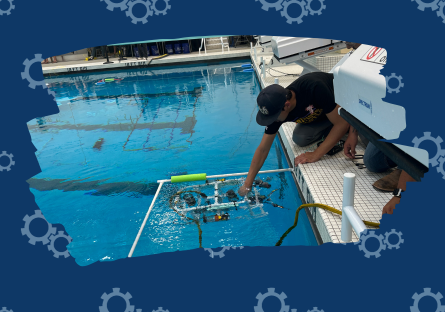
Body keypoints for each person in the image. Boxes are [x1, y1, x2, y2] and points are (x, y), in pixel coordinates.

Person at [238, 72, 350, 196]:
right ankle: (333, 129)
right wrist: (247, 185)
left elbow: (341, 123)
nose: (272, 122)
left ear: (287, 105)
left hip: (345, 106)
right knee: (300, 138)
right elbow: (263, 149)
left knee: (341, 125)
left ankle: (345, 128)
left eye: (273, 118)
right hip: (322, 116)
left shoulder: (314, 87)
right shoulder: (276, 107)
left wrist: (316, 154)